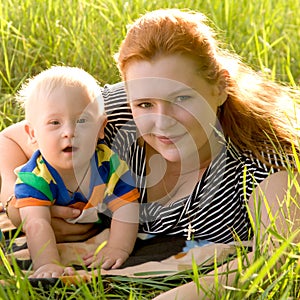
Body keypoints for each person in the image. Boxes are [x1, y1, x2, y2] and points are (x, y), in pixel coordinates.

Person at [0, 8, 299, 298]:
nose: (161, 120)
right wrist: (24, 207)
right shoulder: (112, 119)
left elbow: (284, 254)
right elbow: (10, 142)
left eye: (181, 98)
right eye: (144, 105)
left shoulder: (258, 156)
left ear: (220, 87)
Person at [10, 66, 139, 278]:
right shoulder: (34, 177)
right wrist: (48, 264)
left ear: (100, 128)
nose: (69, 132)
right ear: (32, 134)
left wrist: (118, 247)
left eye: (82, 120)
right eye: (54, 123)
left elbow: (127, 208)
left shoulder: (108, 164)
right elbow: (36, 223)